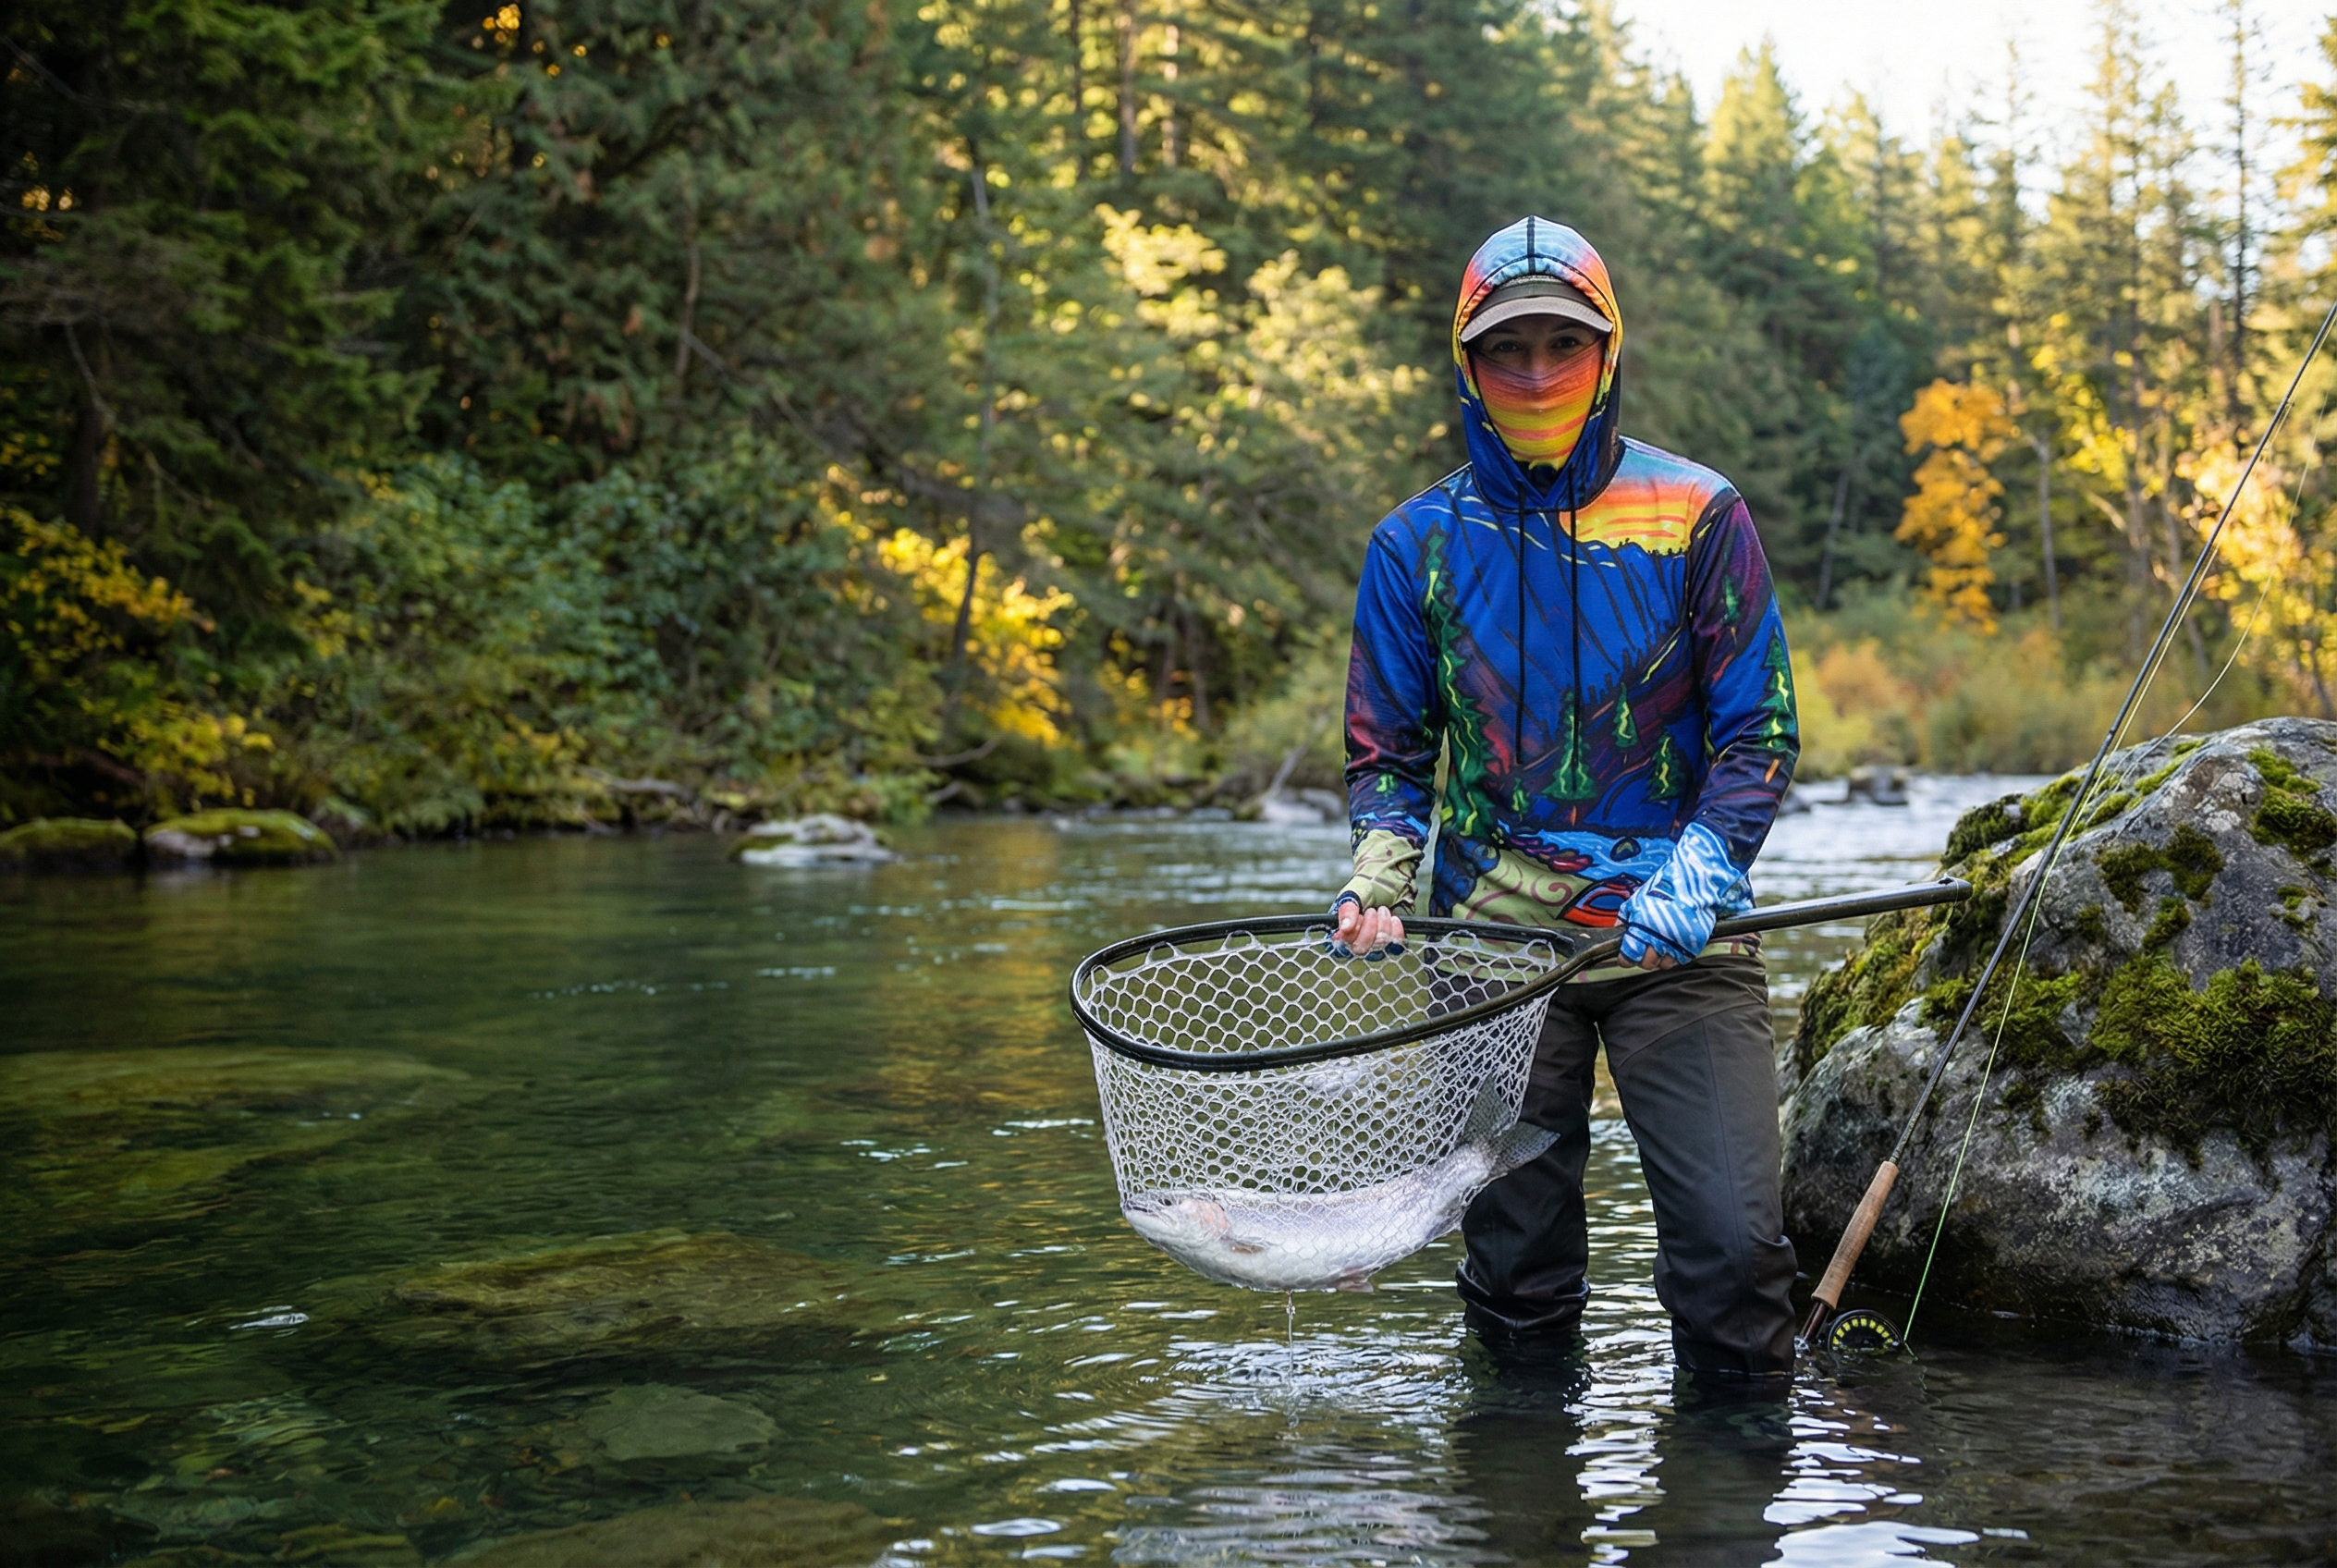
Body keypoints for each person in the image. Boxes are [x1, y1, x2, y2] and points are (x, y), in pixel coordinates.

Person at [1328, 215, 1801, 1377]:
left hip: (1676, 946)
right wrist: (1379, 877)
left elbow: (1760, 731)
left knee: (1734, 1256)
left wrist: (1698, 871)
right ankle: (1515, 1503)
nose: (1536, 373)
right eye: (1507, 350)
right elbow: (1390, 759)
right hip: (1486, 952)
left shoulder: (1699, 516)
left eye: (1562, 344)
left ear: (1608, 352)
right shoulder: (1413, 545)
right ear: (1466, 365)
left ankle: (1726, 1501)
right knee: (1514, 1271)